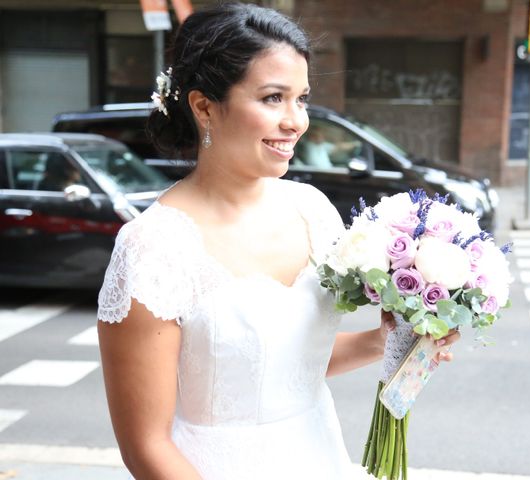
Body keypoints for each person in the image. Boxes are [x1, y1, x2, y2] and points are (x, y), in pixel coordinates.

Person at [96, 4, 460, 479]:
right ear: (204, 106)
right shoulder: (152, 247)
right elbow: (146, 446)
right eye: (272, 98)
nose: (296, 122)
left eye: (301, 98)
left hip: (317, 456)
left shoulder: (313, 210)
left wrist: (388, 340)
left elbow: (294, 362)